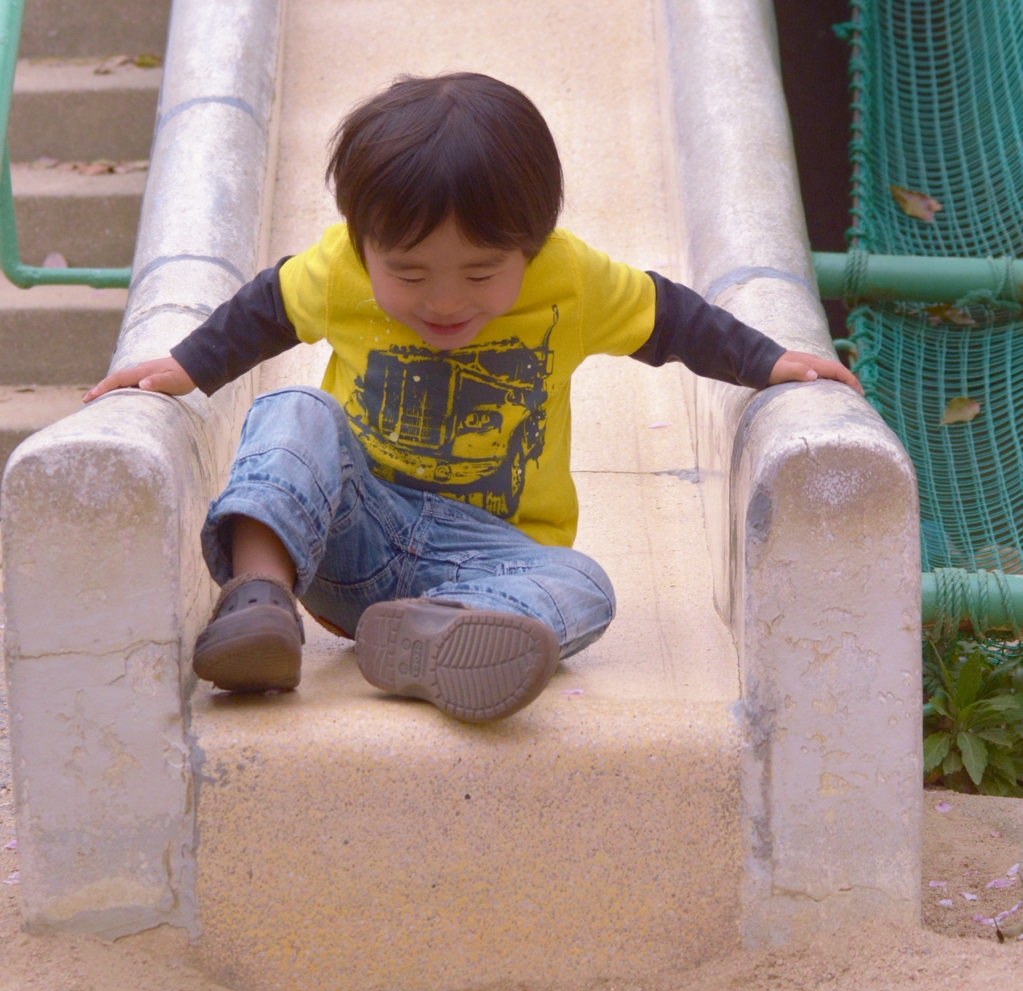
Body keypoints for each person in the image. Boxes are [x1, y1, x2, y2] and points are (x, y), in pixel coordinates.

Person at [84, 72, 862, 722]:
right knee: (295, 410)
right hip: (349, 532)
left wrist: (770, 363)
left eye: (482, 273)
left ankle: (435, 641)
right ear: (362, 242)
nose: (445, 301)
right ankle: (259, 599)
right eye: (411, 274)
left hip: (488, 557)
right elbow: (264, 310)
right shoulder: (337, 269)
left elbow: (674, 321)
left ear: (530, 246)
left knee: (583, 583)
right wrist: (185, 367)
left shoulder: (572, 281)